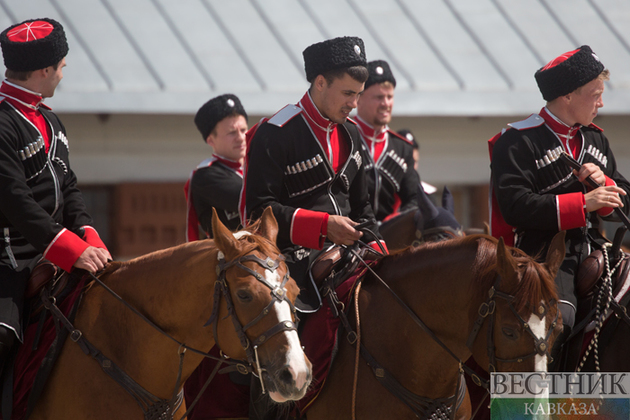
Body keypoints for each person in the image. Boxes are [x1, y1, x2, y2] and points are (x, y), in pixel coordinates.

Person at [489, 45, 630, 370]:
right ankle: (527, 411)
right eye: (595, 94)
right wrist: (583, 203)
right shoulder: (518, 140)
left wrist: (605, 184)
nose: (601, 103)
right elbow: (515, 206)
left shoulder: (596, 141)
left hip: (597, 250)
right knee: (558, 322)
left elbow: (624, 198)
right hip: (538, 256)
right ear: (567, 96)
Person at [243, 36, 386, 313]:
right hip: (291, 265)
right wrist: (323, 226)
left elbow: (362, 208)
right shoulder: (276, 133)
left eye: (358, 94)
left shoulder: (352, 133)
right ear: (320, 83)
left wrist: (381, 250)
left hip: (351, 254)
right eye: (348, 93)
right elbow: (259, 212)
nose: (354, 103)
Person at [0, 18, 110, 373]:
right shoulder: (3, 122)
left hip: (60, 253)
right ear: (44, 69)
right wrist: (71, 250)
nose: (63, 74)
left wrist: (89, 236)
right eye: (61, 67)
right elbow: (14, 200)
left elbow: (70, 186)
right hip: (8, 263)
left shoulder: (50, 121)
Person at [355, 60, 419, 221]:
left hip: (389, 240)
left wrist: (396, 222)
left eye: (389, 96)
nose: (386, 103)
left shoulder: (402, 148)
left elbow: (415, 198)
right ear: (358, 99)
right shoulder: (344, 136)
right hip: (348, 235)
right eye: (378, 97)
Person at [184, 94, 247, 241]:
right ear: (211, 140)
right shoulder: (206, 176)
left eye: (243, 130)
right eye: (232, 133)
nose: (241, 137)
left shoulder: (257, 164)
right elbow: (250, 197)